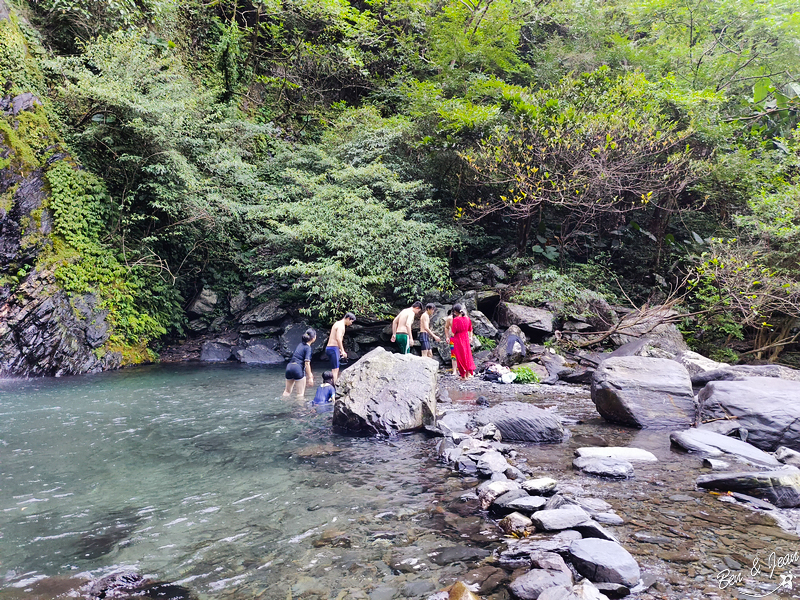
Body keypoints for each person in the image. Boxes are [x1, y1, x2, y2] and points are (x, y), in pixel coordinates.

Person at [283, 328, 315, 396]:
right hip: (297, 368)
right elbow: (307, 363)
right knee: (300, 394)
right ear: (313, 338)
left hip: (289, 367)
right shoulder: (308, 348)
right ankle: (300, 407)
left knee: (287, 391)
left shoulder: (300, 345)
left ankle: (282, 405)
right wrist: (310, 376)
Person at [326, 312, 355, 384]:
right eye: (351, 321)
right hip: (333, 348)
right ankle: (333, 388)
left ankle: (330, 384)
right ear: (348, 318)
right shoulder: (341, 326)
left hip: (329, 348)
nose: (351, 323)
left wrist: (339, 349)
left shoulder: (337, 323)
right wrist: (342, 351)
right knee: (335, 370)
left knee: (334, 369)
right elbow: (338, 338)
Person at [451, 304, 476, 379]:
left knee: (460, 357)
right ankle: (468, 374)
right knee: (467, 356)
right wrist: (471, 337)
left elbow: (453, 332)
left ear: (455, 312)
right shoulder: (467, 318)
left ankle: (463, 376)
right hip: (466, 339)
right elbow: (470, 329)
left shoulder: (455, 320)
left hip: (458, 340)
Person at [443, 308, 457, 375]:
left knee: (462, 354)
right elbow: (446, 327)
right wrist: (447, 337)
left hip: (461, 338)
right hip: (453, 338)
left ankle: (463, 369)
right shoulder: (450, 318)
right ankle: (454, 371)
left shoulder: (463, 318)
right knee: (453, 354)